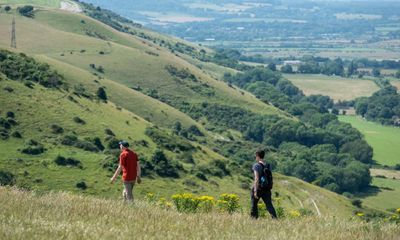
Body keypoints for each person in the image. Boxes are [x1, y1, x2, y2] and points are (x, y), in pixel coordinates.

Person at [251, 150, 277, 219]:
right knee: (269, 205)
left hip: (259, 188)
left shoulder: (256, 166)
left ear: (258, 156)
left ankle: (254, 219)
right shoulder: (268, 165)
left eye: (256, 156)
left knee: (254, 204)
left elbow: (256, 179)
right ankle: (275, 219)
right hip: (267, 189)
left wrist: (255, 191)